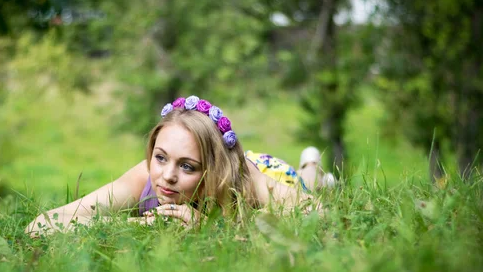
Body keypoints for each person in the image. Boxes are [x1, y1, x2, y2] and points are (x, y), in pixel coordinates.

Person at [26, 95, 334, 236]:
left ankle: (312, 166)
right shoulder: (147, 177)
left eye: (187, 167)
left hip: (269, 169)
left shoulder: (241, 179)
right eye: (160, 158)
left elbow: (318, 215)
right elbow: (40, 225)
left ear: (212, 170)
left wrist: (214, 229)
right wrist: (136, 224)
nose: (167, 176)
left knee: (306, 179)